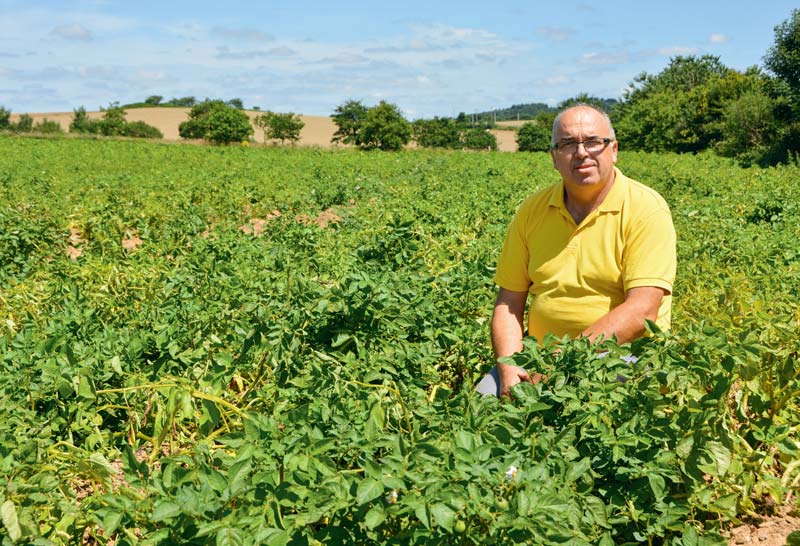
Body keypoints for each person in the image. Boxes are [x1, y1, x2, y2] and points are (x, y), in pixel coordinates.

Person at [477, 104, 676, 398]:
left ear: (614, 150)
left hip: (624, 355)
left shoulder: (646, 209)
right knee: (482, 407)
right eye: (568, 144)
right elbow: (508, 303)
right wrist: (509, 368)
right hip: (540, 358)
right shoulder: (532, 211)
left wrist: (561, 364)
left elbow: (642, 311)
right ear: (554, 158)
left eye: (593, 141)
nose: (582, 153)